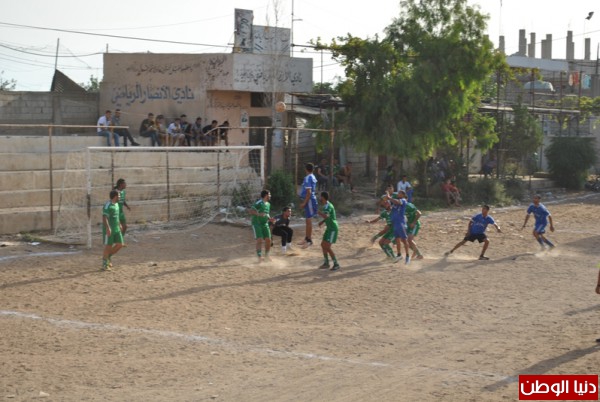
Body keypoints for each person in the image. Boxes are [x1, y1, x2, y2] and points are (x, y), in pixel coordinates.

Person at [317, 191, 340, 271]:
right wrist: (322, 222)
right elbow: (328, 217)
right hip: (329, 228)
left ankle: (336, 264)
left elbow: (326, 215)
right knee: (323, 245)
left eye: (320, 197)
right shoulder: (326, 205)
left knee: (327, 247)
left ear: (323, 197)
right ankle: (326, 263)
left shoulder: (328, 206)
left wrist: (318, 212)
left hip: (333, 228)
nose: (320, 198)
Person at [102, 189, 124, 271]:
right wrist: (108, 228)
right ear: (115, 196)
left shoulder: (117, 204)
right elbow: (104, 217)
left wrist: (119, 224)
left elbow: (116, 216)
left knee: (120, 244)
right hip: (109, 229)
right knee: (108, 246)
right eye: (119, 195)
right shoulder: (108, 205)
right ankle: (105, 264)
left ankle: (108, 257)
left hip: (116, 228)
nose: (120, 197)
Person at [387, 190, 411, 264]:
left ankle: (407, 256)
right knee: (397, 240)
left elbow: (397, 202)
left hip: (400, 223)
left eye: (399, 193)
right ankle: (399, 255)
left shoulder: (403, 200)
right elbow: (391, 207)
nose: (398, 194)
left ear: (403, 195)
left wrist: (389, 197)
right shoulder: (396, 202)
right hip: (395, 223)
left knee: (404, 240)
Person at [248, 190, 273, 262]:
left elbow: (267, 213)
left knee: (268, 239)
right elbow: (251, 211)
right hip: (257, 224)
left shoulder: (268, 204)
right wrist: (259, 214)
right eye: (269, 194)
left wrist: (270, 219)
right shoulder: (259, 203)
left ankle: (267, 255)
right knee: (260, 240)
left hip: (265, 224)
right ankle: (259, 256)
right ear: (265, 195)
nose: (270, 196)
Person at [299, 163, 319, 248]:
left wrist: (304, 202)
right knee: (307, 220)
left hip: (309, 200)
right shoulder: (312, 176)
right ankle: (306, 238)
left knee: (309, 220)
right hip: (310, 200)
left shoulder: (308, 178)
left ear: (306, 169)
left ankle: (309, 241)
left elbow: (309, 192)